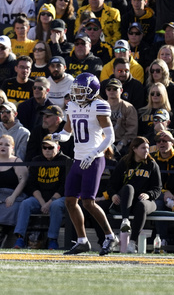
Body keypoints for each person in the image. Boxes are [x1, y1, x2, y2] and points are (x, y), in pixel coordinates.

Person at [52, 72, 119, 255]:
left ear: (92, 91)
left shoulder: (99, 105)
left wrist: (95, 153)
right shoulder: (72, 105)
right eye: (76, 90)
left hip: (94, 159)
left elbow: (111, 136)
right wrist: (59, 136)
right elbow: (68, 131)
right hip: (78, 158)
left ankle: (110, 236)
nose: (77, 94)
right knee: (70, 201)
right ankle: (82, 241)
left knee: (88, 202)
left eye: (81, 90)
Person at [13, 135, 72, 249]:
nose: (47, 150)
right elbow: (32, 184)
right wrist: (42, 203)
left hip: (58, 198)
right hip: (40, 198)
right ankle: (20, 238)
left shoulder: (66, 161)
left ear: (58, 148)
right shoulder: (36, 160)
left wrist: (49, 202)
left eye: (50, 148)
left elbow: (64, 187)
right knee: (26, 203)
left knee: (55, 205)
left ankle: (52, 240)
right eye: (44, 147)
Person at [107, 136, 161, 253]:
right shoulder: (124, 163)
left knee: (141, 205)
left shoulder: (152, 164)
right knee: (128, 187)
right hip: (126, 202)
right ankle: (125, 221)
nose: (146, 151)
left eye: (147, 148)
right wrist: (113, 195)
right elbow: (111, 184)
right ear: (134, 149)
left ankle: (132, 243)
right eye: (143, 148)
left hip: (145, 201)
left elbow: (157, 188)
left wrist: (148, 195)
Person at [105, 78, 138, 157]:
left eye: (115, 89)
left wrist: (121, 143)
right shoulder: (100, 106)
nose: (111, 91)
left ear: (121, 90)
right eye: (109, 89)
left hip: (122, 144)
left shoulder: (128, 107)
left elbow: (131, 131)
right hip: (103, 142)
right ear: (106, 91)